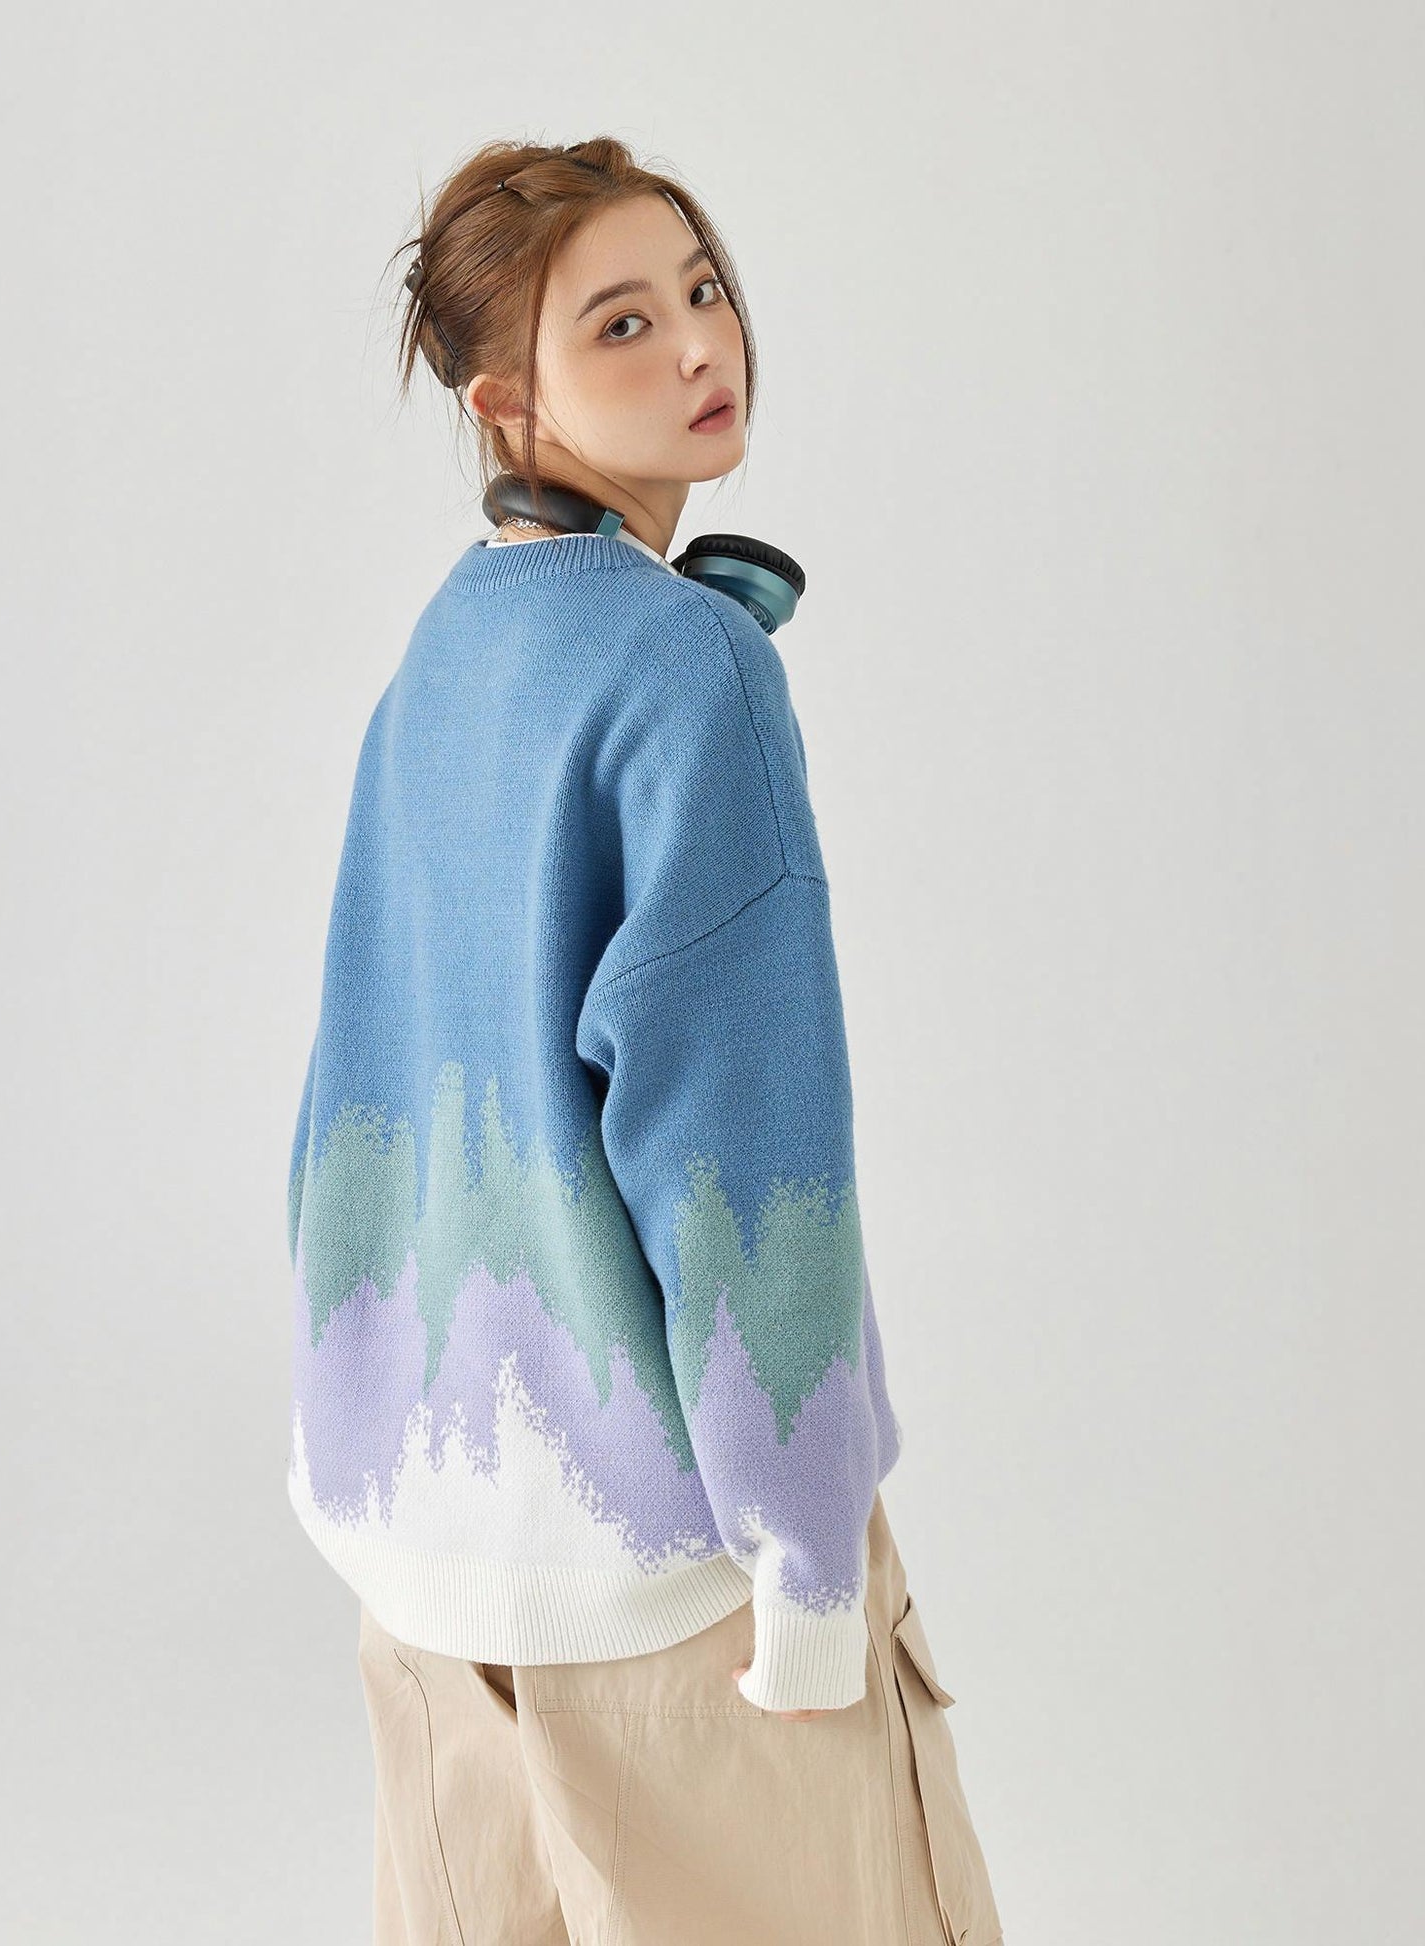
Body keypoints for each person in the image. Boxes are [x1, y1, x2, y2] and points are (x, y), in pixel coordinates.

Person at [287, 134, 1006, 1945]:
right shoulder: (690, 669)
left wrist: (359, 1456)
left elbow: (356, 1088)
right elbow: (745, 1155)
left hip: (424, 1575)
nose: (699, 344)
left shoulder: (442, 656)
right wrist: (808, 1558)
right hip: (679, 1595)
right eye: (621, 322)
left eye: (701, 289)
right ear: (504, 401)